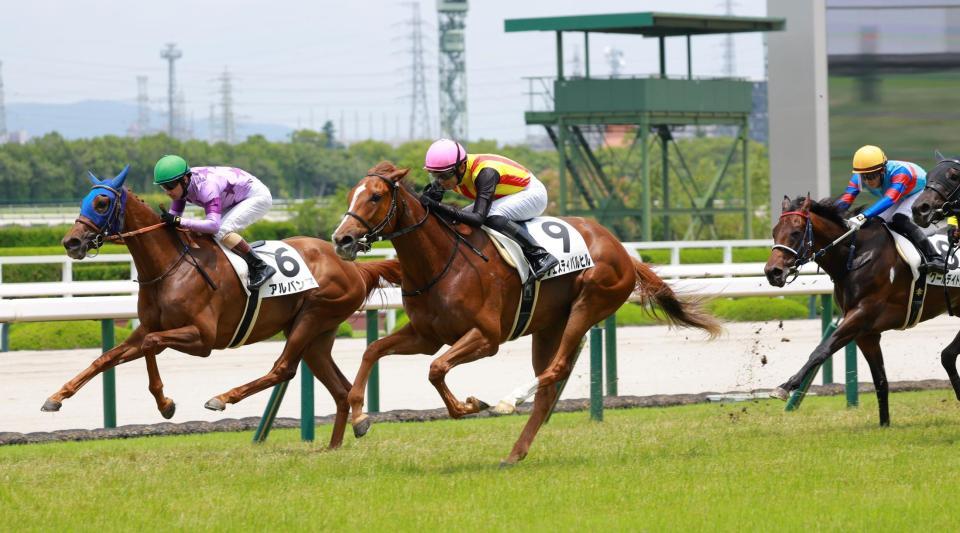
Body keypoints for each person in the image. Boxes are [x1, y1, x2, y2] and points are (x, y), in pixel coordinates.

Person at [420, 139, 560, 279]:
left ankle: (540, 254)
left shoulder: (486, 173)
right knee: (458, 219)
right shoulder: (452, 172)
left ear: (462, 167)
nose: (440, 181)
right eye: (435, 175)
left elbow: (478, 218)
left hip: (532, 194)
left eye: (444, 176)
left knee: (489, 215)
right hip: (506, 195)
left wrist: (437, 205)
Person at [153, 155, 277, 290]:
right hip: (233, 200)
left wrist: (178, 220)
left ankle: (261, 267)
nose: (167, 192)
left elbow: (213, 226)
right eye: (163, 187)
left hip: (256, 196)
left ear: (184, 179)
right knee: (204, 232)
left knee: (221, 230)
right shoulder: (182, 187)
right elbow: (174, 220)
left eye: (170, 186)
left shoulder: (206, 187)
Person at [837, 145, 947, 273]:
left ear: (883, 170)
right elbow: (846, 200)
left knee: (899, 219)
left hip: (918, 191)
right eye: (864, 176)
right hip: (899, 194)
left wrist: (863, 215)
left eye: (872, 175)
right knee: (875, 222)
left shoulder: (900, 172)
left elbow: (890, 199)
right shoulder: (858, 177)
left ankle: (935, 257)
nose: (867, 181)